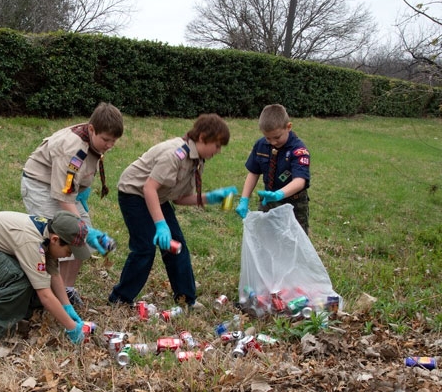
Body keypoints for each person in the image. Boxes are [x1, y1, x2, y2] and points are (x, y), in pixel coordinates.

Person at [108, 113, 238, 309]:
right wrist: (160, 225)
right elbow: (148, 188)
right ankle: (120, 298)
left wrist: (209, 198)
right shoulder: (174, 154)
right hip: (134, 194)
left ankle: (185, 298)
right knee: (145, 247)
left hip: (157, 197)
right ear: (202, 138)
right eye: (217, 145)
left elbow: (179, 198)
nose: (218, 151)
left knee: (176, 245)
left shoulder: (197, 160)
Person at [21, 102, 124, 307]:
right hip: (41, 186)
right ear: (92, 129)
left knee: (81, 242)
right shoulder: (72, 149)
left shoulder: (93, 137)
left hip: (67, 190)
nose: (110, 145)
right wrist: (86, 229)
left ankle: (66, 291)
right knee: (62, 239)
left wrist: (82, 198)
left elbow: (72, 184)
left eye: (114, 141)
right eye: (106, 140)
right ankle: (45, 296)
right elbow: (63, 195)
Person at [0, 210, 90, 345]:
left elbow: (53, 271)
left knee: (34, 278)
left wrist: (66, 306)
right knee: (18, 280)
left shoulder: (49, 231)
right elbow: (45, 296)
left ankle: (19, 313)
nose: (69, 255)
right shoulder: (31, 242)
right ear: (55, 239)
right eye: (69, 250)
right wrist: (73, 328)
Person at [235, 104, 310, 234]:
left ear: (288, 127)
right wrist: (244, 199)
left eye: (277, 137)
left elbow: (300, 181)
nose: (273, 142)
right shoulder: (261, 145)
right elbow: (253, 172)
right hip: (268, 200)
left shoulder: (298, 150)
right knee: (265, 237)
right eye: (268, 138)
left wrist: (279, 194)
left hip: (294, 203)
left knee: (293, 241)